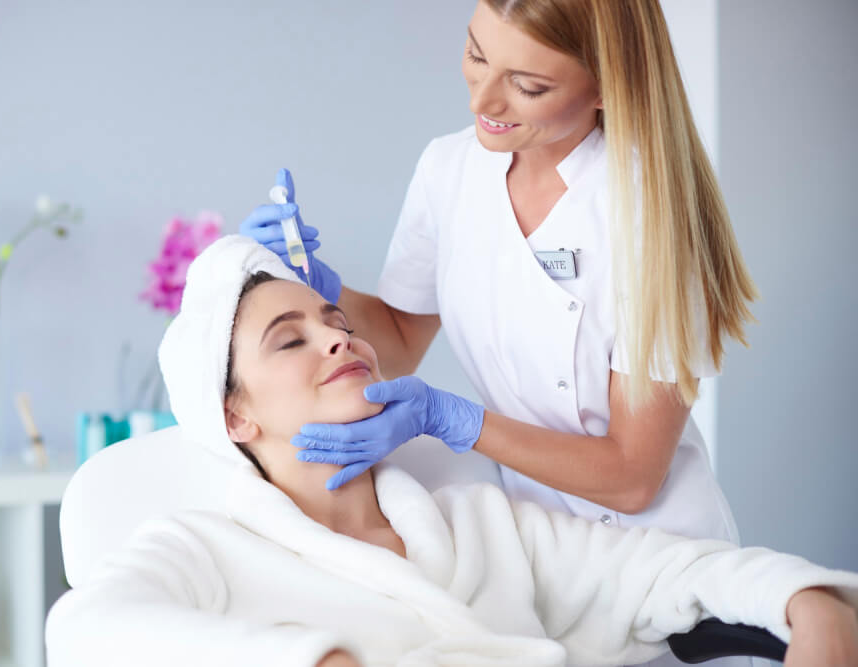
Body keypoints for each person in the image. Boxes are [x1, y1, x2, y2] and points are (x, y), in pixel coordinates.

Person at [44, 236, 858, 667]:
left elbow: (659, 571)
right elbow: (84, 630)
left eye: (336, 320)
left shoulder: (476, 520)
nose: (335, 336)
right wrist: (309, 658)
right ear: (235, 416)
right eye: (290, 339)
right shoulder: (207, 549)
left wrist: (808, 602)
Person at [240, 7, 755, 662]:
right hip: (533, 563)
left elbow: (633, 477)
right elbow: (397, 335)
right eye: (477, 55)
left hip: (661, 571)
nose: (483, 99)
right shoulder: (449, 170)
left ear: (607, 86)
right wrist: (320, 285)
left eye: (528, 86)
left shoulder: (650, 212)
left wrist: (453, 419)